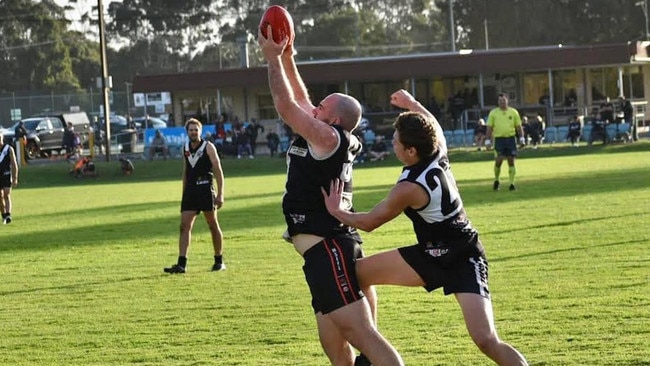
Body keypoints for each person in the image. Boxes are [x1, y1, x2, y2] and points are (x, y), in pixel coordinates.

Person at [322, 89, 530, 366]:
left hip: (462, 255)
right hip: (436, 252)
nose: (392, 144)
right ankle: (369, 354)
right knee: (356, 276)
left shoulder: (408, 188)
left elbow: (370, 222)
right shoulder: (437, 149)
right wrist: (411, 104)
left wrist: (337, 211)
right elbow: (432, 122)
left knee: (486, 339)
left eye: (396, 142)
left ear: (411, 150)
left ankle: (370, 352)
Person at [258, 25, 403, 366]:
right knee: (335, 349)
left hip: (328, 249)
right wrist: (289, 58)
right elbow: (301, 101)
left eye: (321, 107)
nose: (314, 108)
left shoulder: (327, 138)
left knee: (364, 338)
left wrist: (271, 61)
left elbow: (286, 105)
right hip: (327, 248)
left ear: (333, 119)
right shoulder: (330, 135)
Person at [164, 118, 226, 274]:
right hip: (191, 192)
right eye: (191, 130)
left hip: (205, 189)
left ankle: (219, 260)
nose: (193, 132)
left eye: (196, 130)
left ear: (200, 131)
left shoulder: (208, 147)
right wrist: (184, 192)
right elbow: (185, 171)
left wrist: (220, 194)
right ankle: (181, 264)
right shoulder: (185, 148)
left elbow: (218, 171)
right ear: (187, 132)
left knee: (212, 225)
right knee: (184, 226)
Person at [485, 93, 525, 191]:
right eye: (500, 100)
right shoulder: (493, 113)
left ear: (507, 101)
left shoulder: (513, 112)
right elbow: (489, 127)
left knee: (511, 160)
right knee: (499, 160)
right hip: (499, 140)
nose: (502, 102)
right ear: (498, 102)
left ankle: (512, 183)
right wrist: (487, 140)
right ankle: (497, 180)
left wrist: (522, 138)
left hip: (510, 139)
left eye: (503, 100)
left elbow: (518, 126)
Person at [0, 133, 19, 224]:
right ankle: (3, 214)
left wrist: (15, 177)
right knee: (0, 196)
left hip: (6, 175)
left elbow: (14, 164)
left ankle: (8, 215)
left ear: (2, 138)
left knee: (7, 194)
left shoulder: (8, 149)